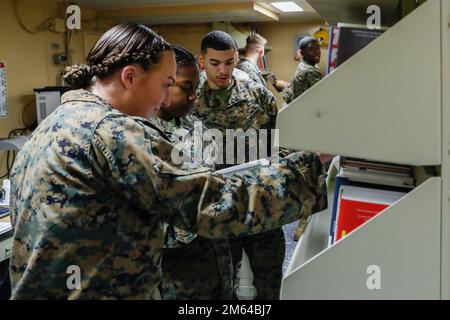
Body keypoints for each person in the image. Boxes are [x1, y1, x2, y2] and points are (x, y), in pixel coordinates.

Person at [8, 23, 327, 299]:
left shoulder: (56, 122)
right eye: (164, 85)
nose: (165, 101)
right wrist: (308, 168)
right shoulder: (114, 133)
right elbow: (211, 204)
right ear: (130, 77)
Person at [195, 30, 291, 300]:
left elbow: (277, 137)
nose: (223, 70)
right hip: (217, 203)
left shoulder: (254, 90)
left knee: (269, 276)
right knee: (222, 279)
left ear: (236, 57)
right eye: (215, 63)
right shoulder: (190, 98)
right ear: (202, 61)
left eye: (229, 62)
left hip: (258, 199)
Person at [149, 45, 233, 300]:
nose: (194, 96)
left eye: (196, 88)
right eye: (186, 88)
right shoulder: (140, 133)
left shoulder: (193, 124)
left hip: (215, 254)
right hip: (175, 269)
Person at [283, 36, 322, 104]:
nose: (317, 52)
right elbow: (321, 95)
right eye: (311, 50)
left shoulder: (303, 64)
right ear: (302, 53)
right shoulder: (310, 70)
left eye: (318, 48)